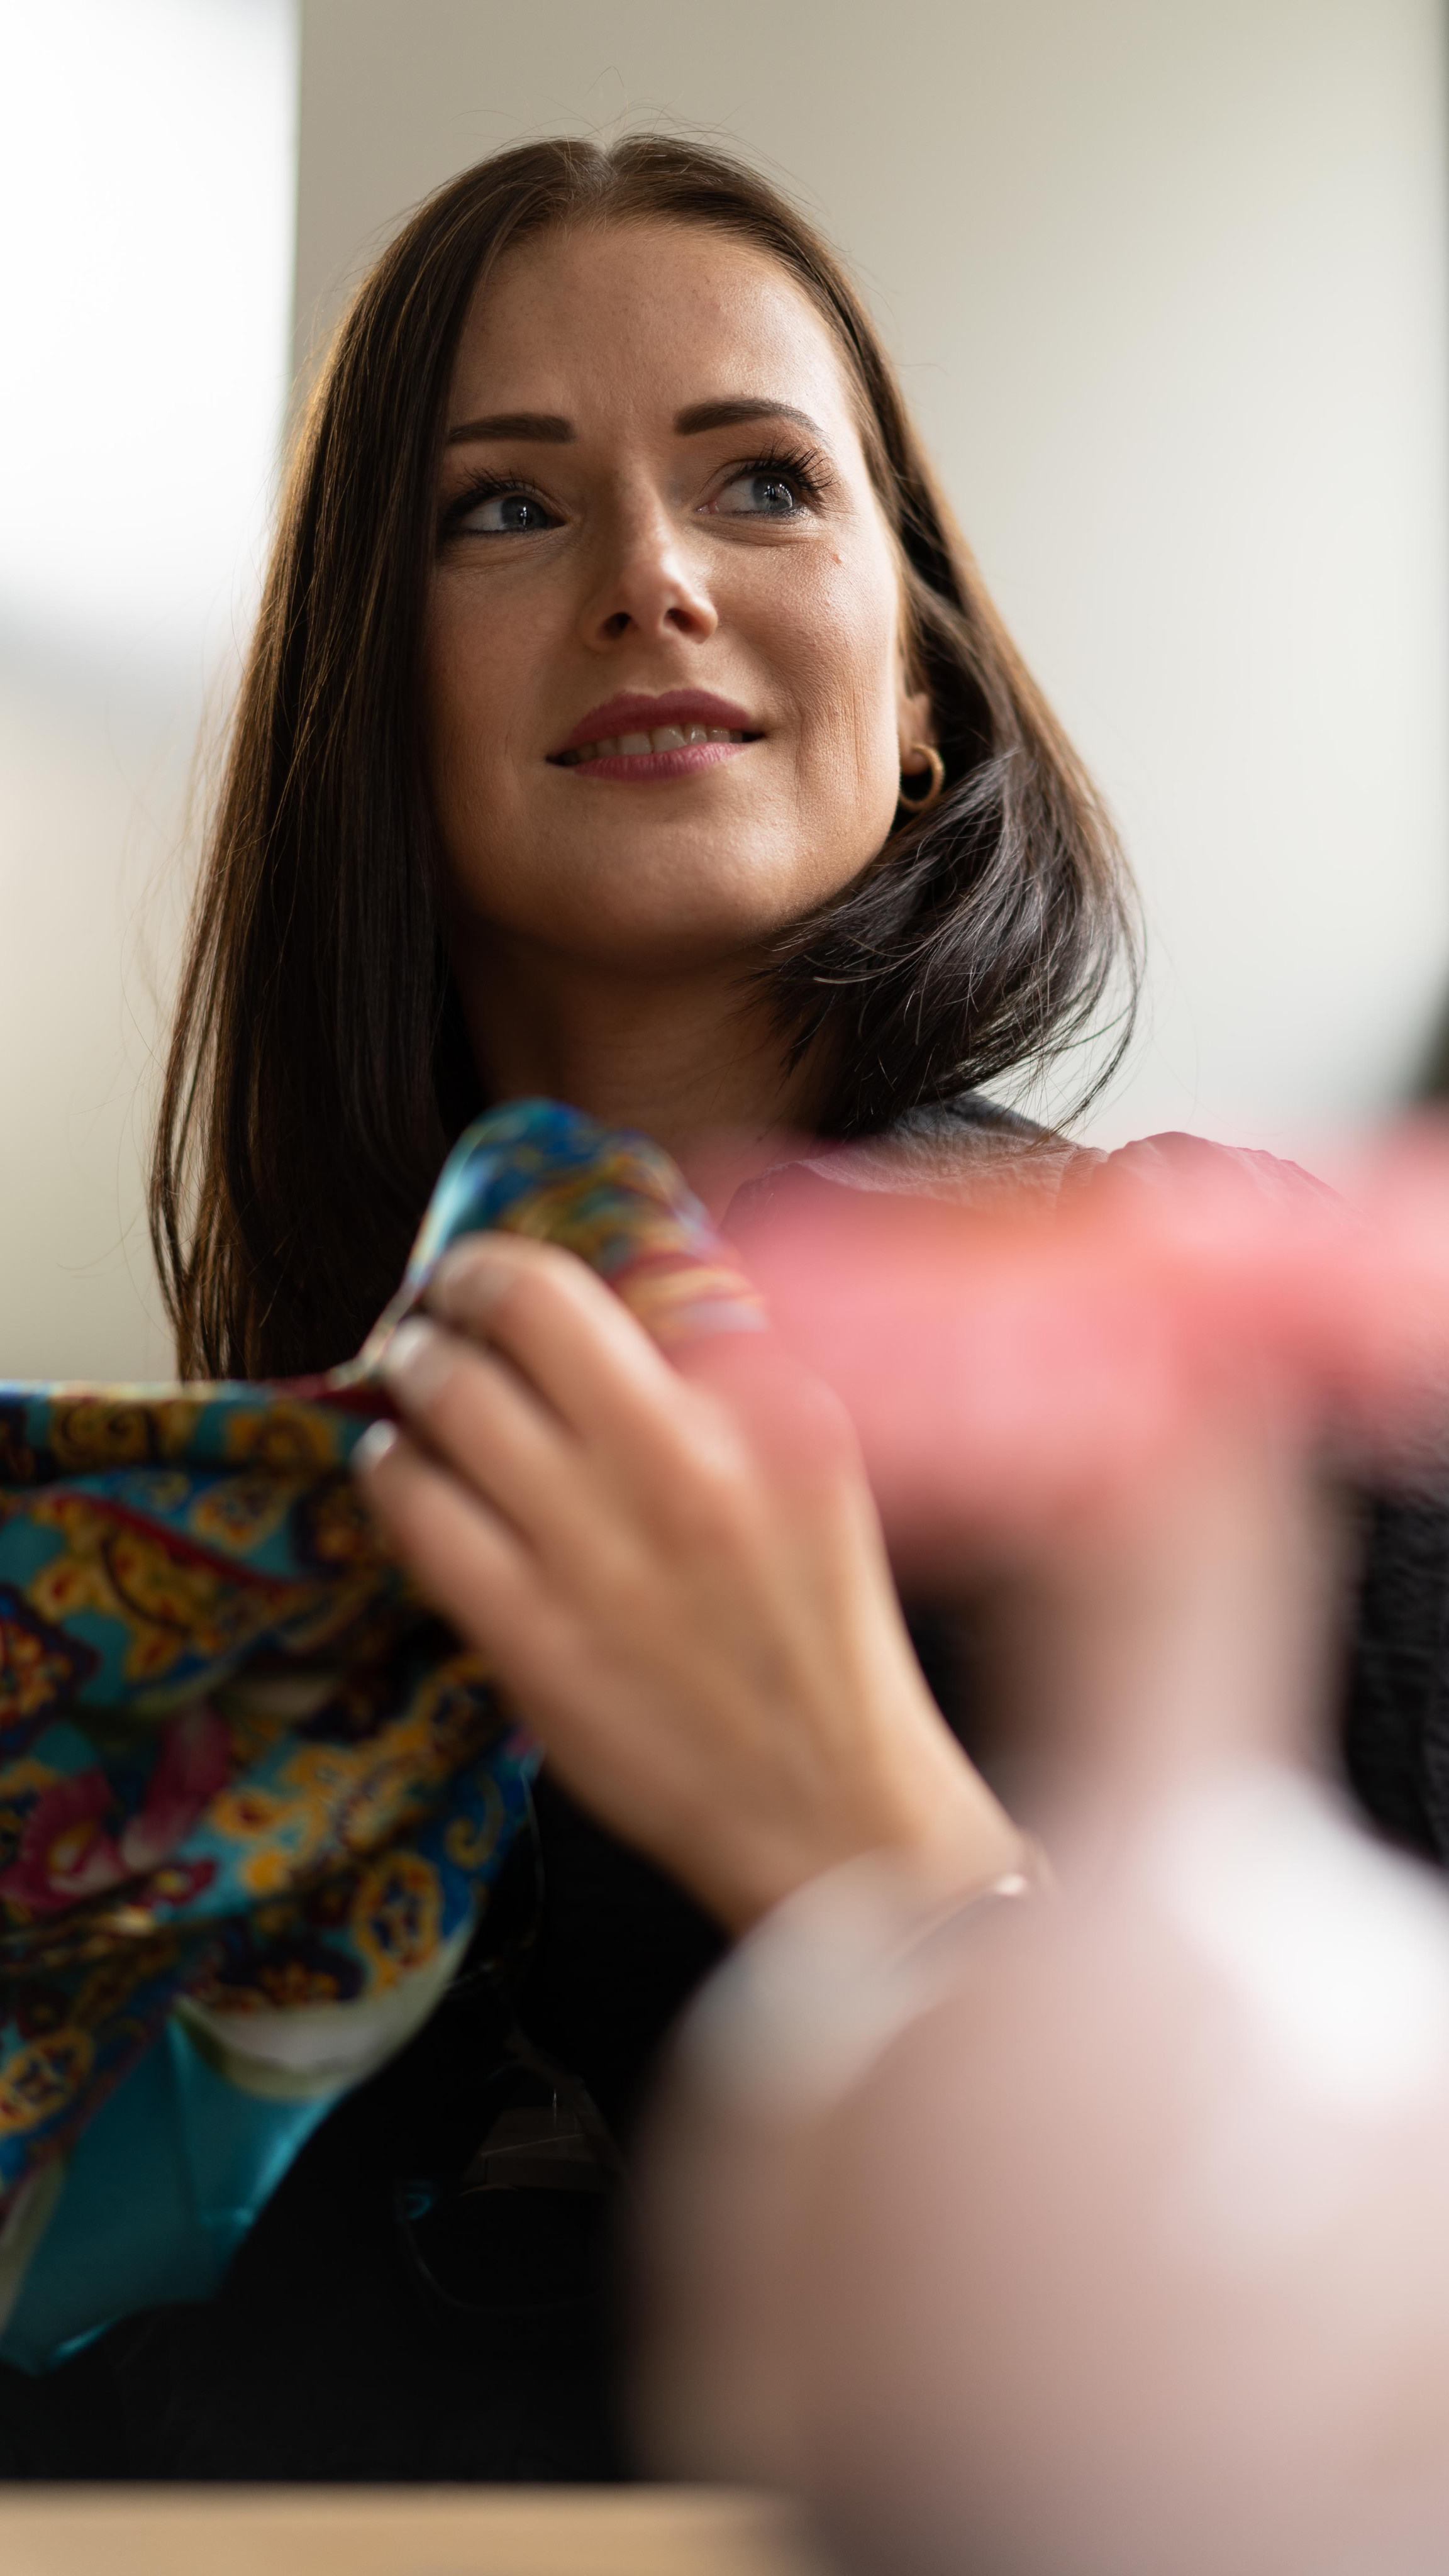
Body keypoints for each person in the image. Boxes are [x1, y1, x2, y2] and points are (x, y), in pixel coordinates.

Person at [0, 133, 1433, 2482]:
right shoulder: (189, 1608)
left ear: (922, 689)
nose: (653, 578)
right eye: (504, 509)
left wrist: (859, 1828)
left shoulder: (1253, 1368)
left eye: (763, 483)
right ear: (373, 702)